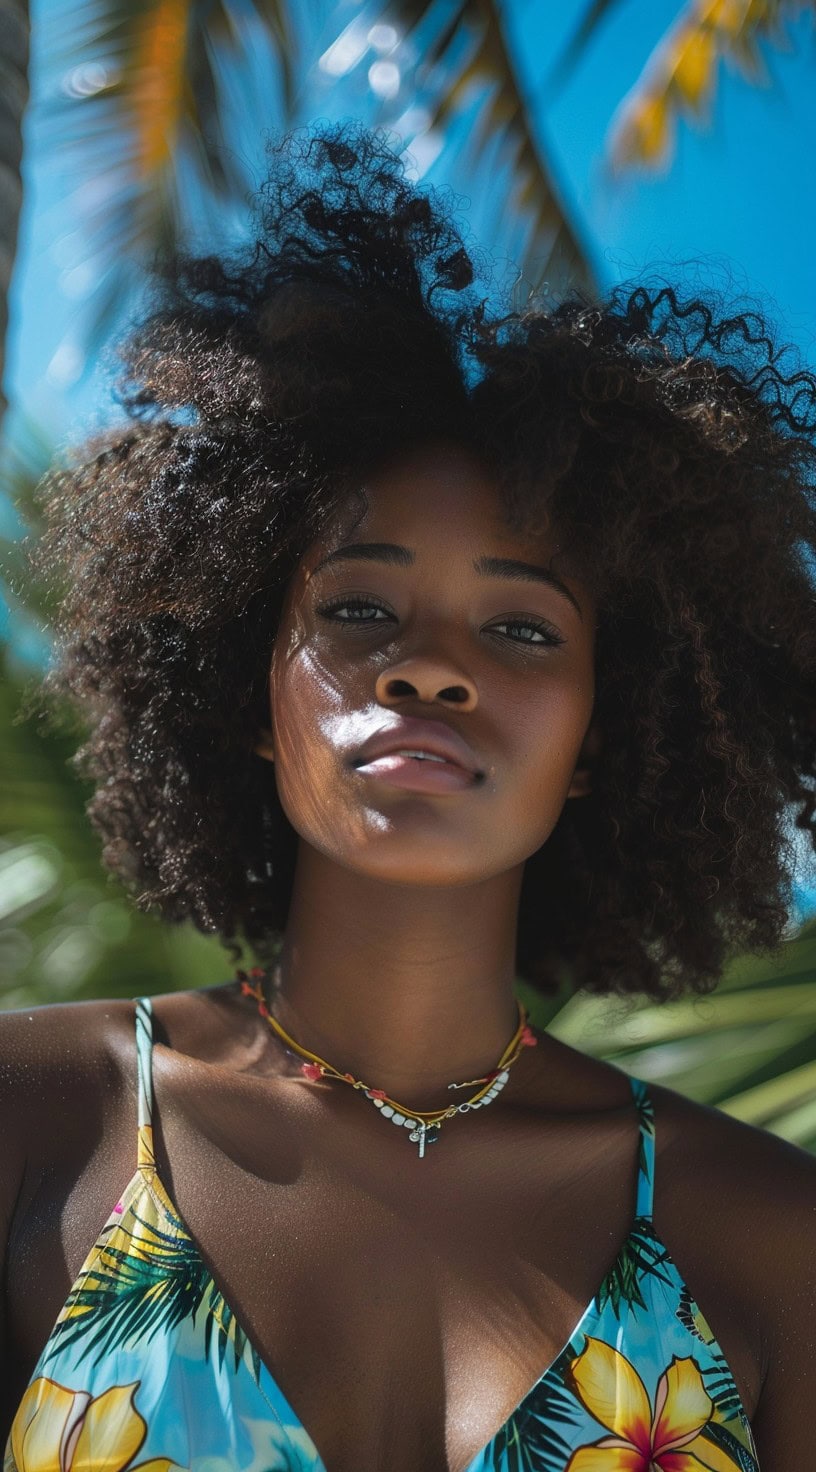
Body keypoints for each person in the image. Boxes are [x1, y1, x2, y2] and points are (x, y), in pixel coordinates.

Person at [1, 122, 814, 1472]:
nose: (429, 668)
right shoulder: (39, 1121)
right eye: (361, 607)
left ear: (608, 729)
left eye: (525, 630)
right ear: (245, 693)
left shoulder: (770, 1233)